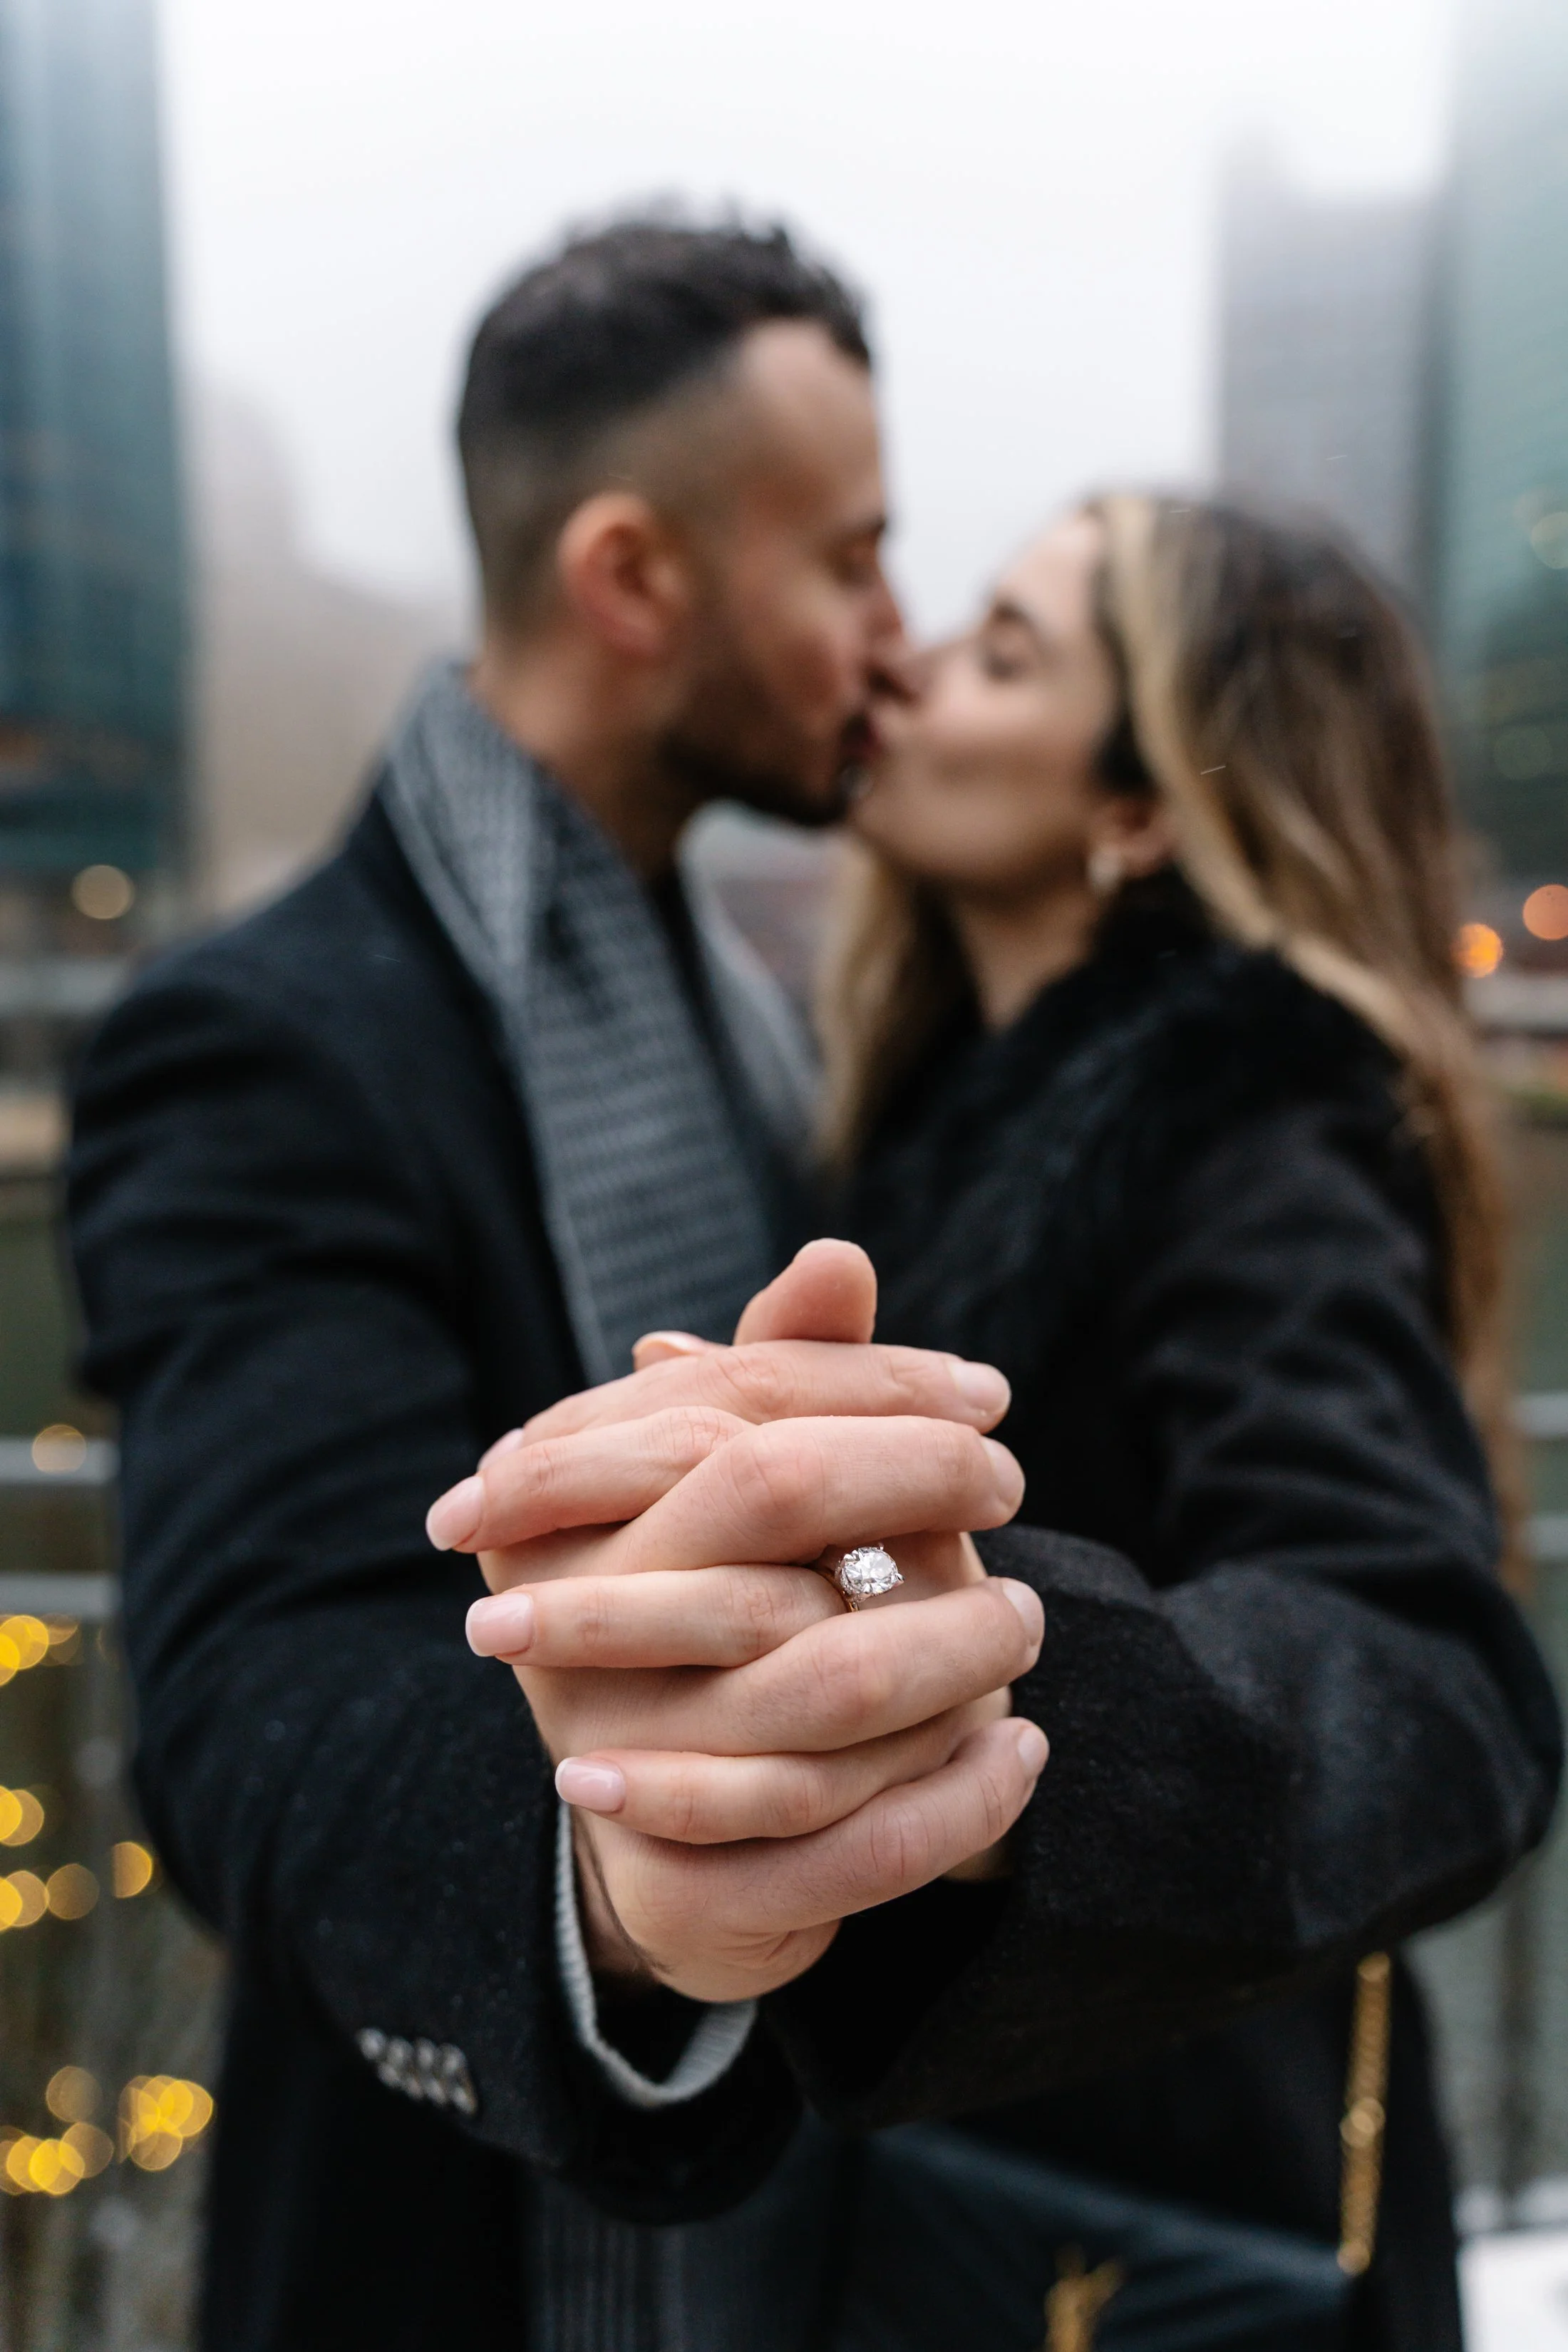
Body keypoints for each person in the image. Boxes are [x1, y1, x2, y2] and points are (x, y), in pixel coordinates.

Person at [65, 220, 1052, 2351]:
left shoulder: (755, 1001)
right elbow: (260, 1694)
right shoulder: (262, 1035)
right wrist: (621, 1883)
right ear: (633, 581)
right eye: (849, 562)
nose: (893, 637)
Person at [445, 497, 1562, 2351]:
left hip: (1179, 2226)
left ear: (1135, 809)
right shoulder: (949, 1092)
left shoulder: (1248, 1115)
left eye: (1004, 650)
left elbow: (1435, 1677)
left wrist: (974, 1671)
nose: (912, 667)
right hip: (1001, 2202)